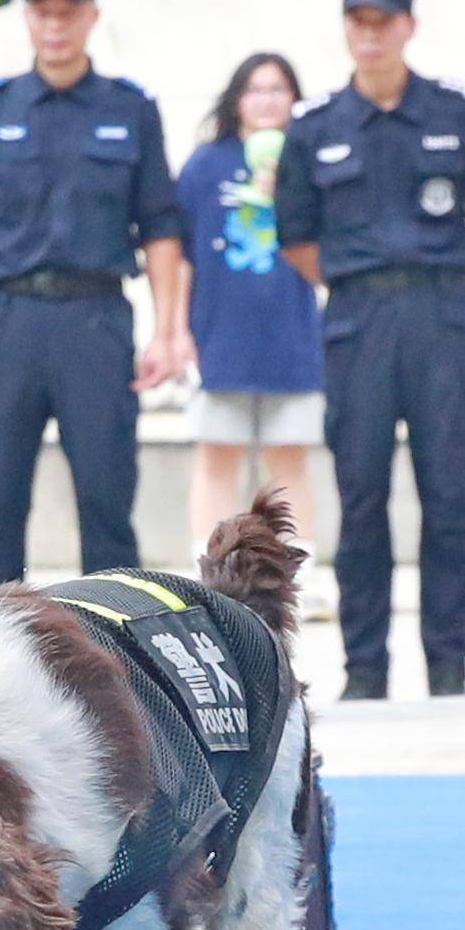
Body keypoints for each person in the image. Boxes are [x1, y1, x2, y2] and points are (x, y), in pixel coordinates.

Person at [277, 0, 465, 696]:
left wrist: (442, 289)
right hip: (357, 321)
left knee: (447, 494)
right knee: (362, 498)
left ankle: (447, 661)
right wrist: (363, 286)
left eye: (384, 20)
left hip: (439, 317)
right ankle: (367, 666)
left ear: (408, 26)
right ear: (346, 28)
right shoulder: (315, 127)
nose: (371, 33)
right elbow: (296, 237)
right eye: (359, 20)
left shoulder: (457, 112)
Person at [0, 0, 189, 587]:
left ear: (92, 17)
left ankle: (117, 661)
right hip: (9, 322)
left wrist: (167, 331)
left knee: (106, 501)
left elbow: (161, 227)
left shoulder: (129, 110)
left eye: (68, 11)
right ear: (27, 17)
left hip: (95, 319)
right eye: (42, 11)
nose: (55, 25)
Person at [177, 52, 322, 561]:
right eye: (255, 89)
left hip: (293, 331)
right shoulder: (206, 164)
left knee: (290, 460)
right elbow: (182, 255)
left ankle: (297, 573)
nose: (266, 100)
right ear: (237, 100)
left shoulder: (309, 159)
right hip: (221, 333)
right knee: (218, 456)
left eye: (278, 89)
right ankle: (209, 569)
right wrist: (178, 329)